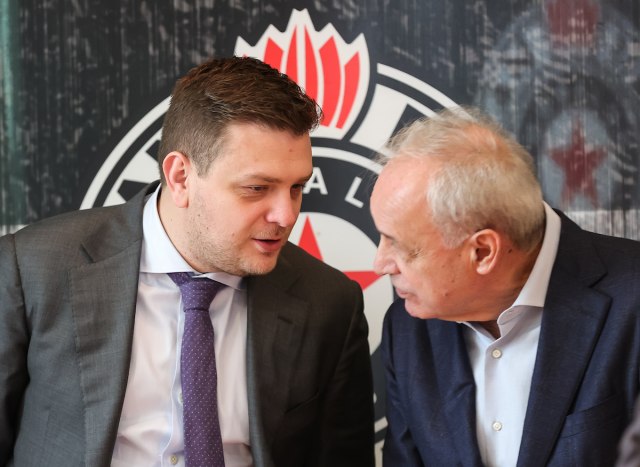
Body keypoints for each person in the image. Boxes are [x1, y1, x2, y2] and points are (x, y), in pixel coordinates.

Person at [0, 56, 375, 467]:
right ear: (180, 177)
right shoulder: (34, 268)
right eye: (256, 188)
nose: (286, 216)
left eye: (297, 187)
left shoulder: (329, 303)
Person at [370, 106, 640, 466]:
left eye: (400, 245)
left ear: (483, 252)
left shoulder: (632, 301)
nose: (380, 264)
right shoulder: (407, 327)